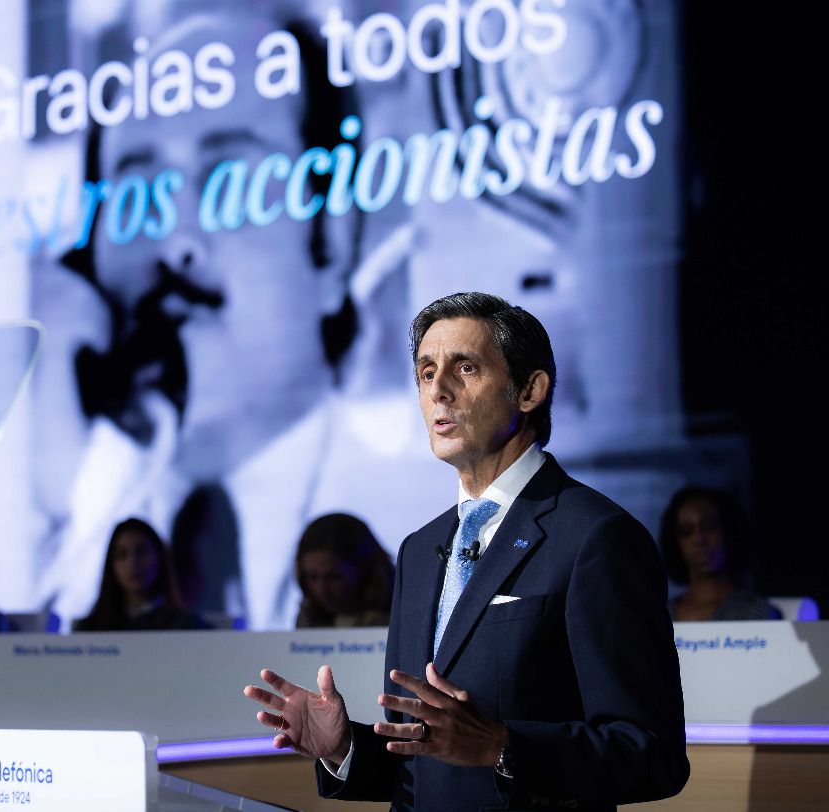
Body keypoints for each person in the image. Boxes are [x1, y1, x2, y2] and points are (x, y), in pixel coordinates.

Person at [35, 9, 451, 629]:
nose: (177, 246)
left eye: (229, 181)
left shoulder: (428, 513)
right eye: (135, 191)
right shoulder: (65, 537)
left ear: (333, 237)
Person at [244, 292, 689, 810]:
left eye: (466, 368)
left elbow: (650, 755)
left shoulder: (596, 537)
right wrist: (344, 747)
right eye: (427, 373)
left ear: (529, 390)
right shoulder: (418, 549)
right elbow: (425, 758)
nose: (439, 391)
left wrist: (503, 748)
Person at [659, 486, 780, 621]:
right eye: (687, 532)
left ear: (730, 531)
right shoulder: (661, 615)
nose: (699, 539)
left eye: (709, 527)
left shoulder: (757, 611)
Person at [73, 518, 207, 632]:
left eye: (141, 551)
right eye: (122, 554)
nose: (133, 562)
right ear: (111, 566)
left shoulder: (188, 628)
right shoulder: (89, 631)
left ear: (160, 557)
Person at [295, 513, 394, 628]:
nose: (321, 590)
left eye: (334, 578)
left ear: (367, 571)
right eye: (312, 577)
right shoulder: (308, 615)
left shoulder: (402, 617)